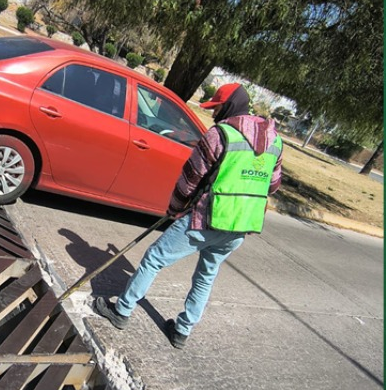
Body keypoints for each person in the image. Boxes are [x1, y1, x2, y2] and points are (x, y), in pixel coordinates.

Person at [93, 83, 284, 349]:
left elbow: (190, 179)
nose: (214, 114)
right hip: (241, 224)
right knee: (206, 275)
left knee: (154, 258)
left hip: (207, 218)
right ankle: (181, 332)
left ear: (230, 106)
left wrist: (175, 208)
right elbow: (273, 185)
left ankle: (121, 311)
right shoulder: (276, 141)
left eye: (217, 108)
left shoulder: (221, 134)